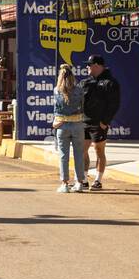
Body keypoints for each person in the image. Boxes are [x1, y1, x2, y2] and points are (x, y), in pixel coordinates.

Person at [80, 54, 122, 190]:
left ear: (97, 66)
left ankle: (98, 180)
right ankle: (83, 179)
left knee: (99, 151)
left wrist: (105, 121)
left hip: (99, 123)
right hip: (84, 122)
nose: (87, 67)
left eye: (89, 65)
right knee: (82, 150)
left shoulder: (110, 82)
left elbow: (114, 104)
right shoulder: (85, 82)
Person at [52, 64, 87, 193]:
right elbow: (82, 107)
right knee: (79, 154)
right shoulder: (79, 90)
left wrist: (55, 122)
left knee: (63, 156)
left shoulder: (56, 90)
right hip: (77, 124)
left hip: (62, 125)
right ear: (72, 75)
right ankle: (79, 183)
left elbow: (56, 109)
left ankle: (65, 184)